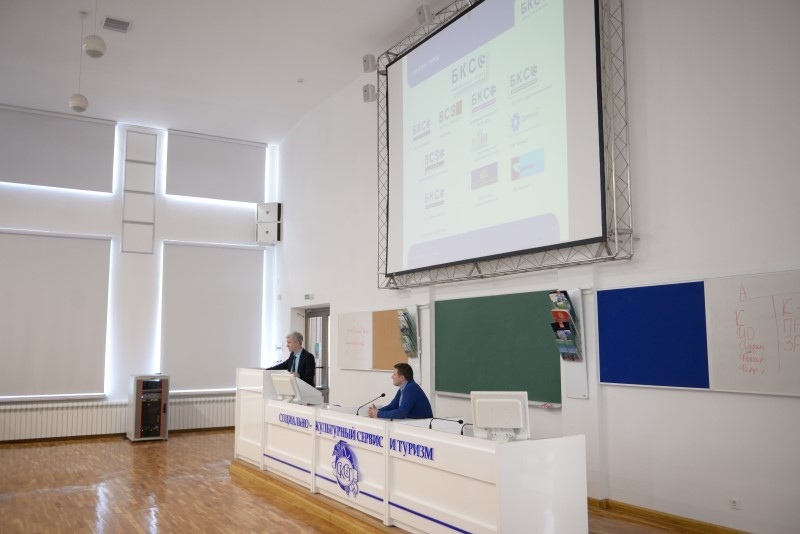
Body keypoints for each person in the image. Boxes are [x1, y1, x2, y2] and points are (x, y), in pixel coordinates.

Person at [368, 363, 433, 420]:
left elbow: (401, 413)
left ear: (402, 377)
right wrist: (376, 411)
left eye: (394, 375)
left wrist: (378, 413)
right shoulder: (403, 388)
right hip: (414, 423)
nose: (392, 377)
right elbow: (392, 406)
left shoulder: (411, 388)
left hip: (423, 425)